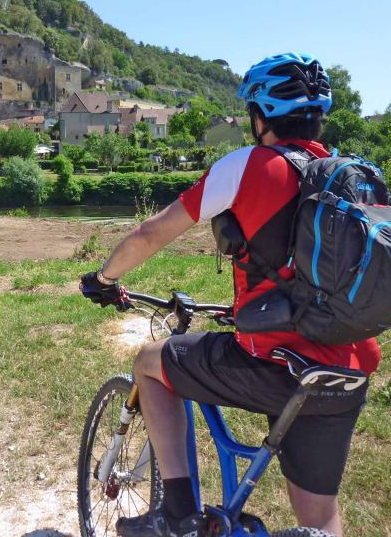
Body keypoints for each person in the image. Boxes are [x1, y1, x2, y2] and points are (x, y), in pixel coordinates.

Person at [80, 53, 381, 537]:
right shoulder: (344, 179)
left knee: (149, 363)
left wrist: (104, 277)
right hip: (345, 369)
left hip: (274, 363)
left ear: (260, 116)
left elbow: (152, 234)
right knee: (320, 517)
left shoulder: (250, 166)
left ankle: (174, 517)